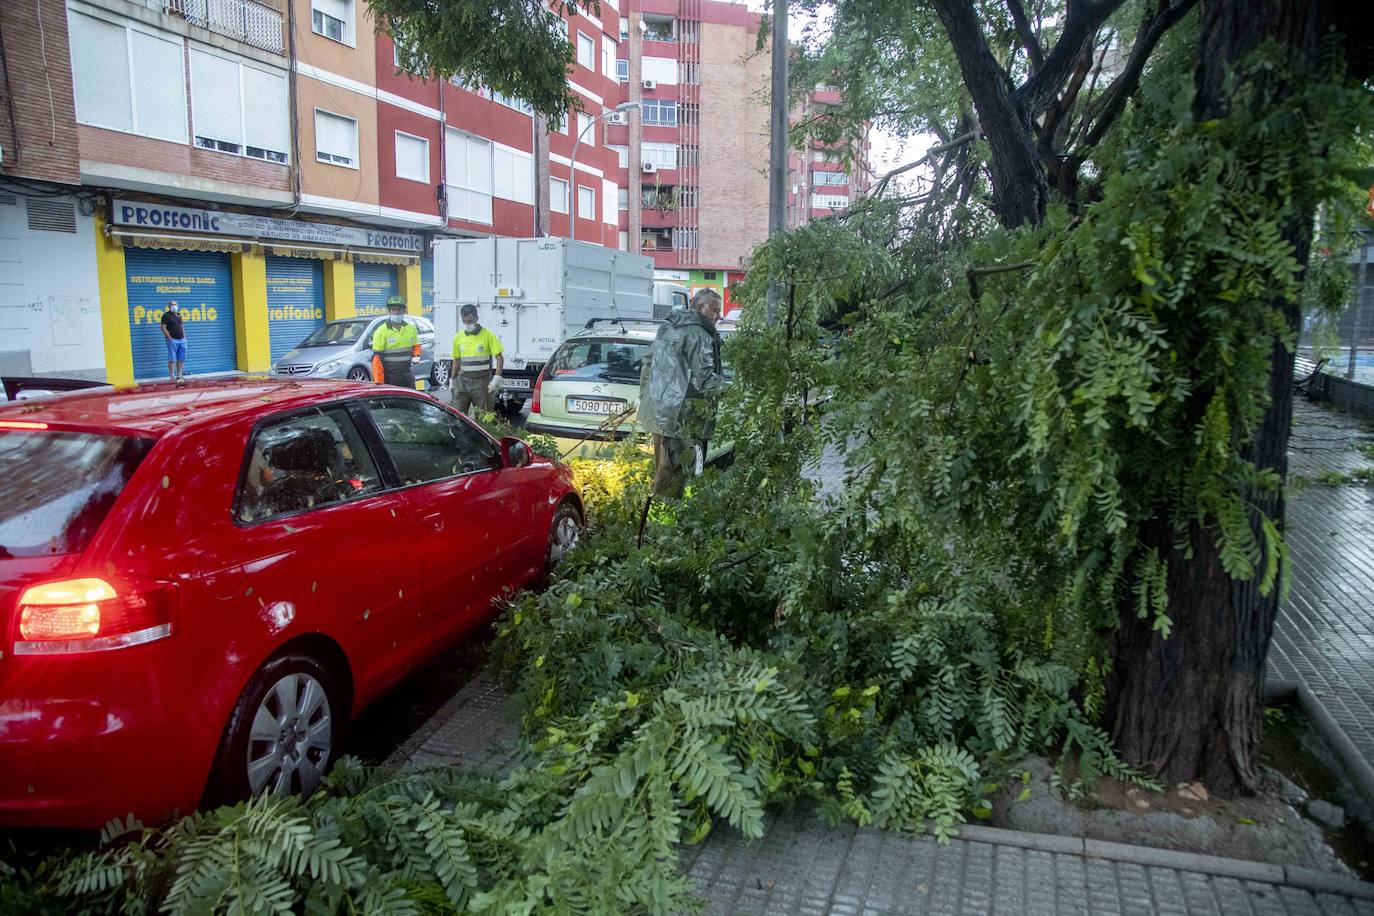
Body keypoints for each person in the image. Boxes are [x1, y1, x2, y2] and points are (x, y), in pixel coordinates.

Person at [638, 288, 725, 497]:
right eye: (715, 310)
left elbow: (648, 363)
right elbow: (705, 379)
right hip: (681, 419)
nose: (719, 316)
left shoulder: (668, 327)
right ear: (700, 307)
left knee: (661, 470)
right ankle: (664, 515)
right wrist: (734, 391)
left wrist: (646, 398)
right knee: (673, 476)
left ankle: (656, 511)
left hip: (659, 414)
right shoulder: (700, 335)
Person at [449, 304, 504, 414]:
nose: (468, 323)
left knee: (484, 417)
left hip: (482, 382)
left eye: (470, 320)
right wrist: (452, 379)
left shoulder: (488, 335)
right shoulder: (458, 337)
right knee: (457, 415)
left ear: (476, 318)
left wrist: (497, 378)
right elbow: (456, 360)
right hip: (462, 382)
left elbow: (499, 357)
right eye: (465, 321)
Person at [370, 296, 421, 388]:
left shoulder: (411, 329)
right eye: (393, 309)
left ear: (404, 310)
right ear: (389, 311)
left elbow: (416, 346)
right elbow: (377, 360)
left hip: (407, 374)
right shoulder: (381, 331)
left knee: (413, 396)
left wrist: (416, 355)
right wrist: (379, 383)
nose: (396, 312)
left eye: (399, 309)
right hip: (390, 377)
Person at [160, 300, 187, 381]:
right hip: (172, 340)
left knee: (181, 359)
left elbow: (181, 326)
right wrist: (169, 338)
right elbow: (163, 327)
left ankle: (179, 375)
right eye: (172, 305)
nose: (174, 306)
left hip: (182, 340)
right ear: (169, 306)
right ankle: (172, 376)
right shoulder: (166, 315)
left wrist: (184, 337)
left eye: (175, 304)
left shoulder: (178, 315)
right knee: (172, 359)